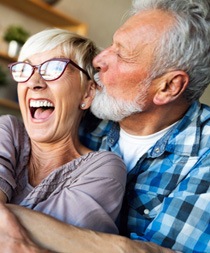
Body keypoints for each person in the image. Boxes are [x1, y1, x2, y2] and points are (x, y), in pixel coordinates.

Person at [0, 0, 210, 252]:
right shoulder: (95, 110)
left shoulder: (204, 156)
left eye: (121, 53)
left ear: (168, 87)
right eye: (111, 43)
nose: (99, 59)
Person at [0, 28, 126, 234]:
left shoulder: (104, 168)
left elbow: (49, 239)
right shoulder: (7, 130)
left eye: (53, 68)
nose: (34, 82)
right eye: (25, 70)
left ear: (88, 93)